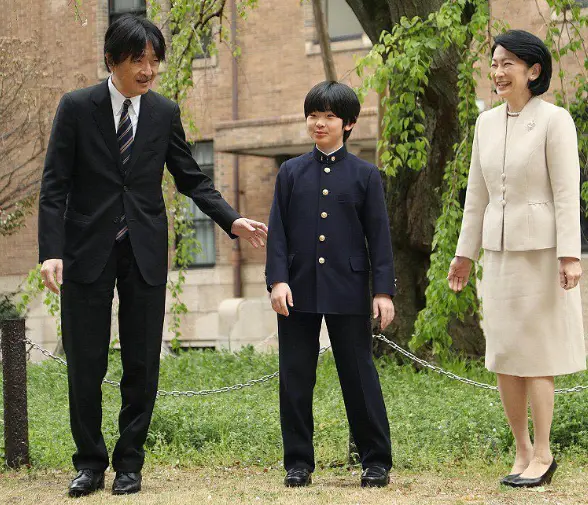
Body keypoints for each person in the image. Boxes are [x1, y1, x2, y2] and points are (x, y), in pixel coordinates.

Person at [38, 14, 267, 497]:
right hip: (85, 252)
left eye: (154, 60)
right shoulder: (77, 107)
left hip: (143, 250)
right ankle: (89, 464)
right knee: (86, 362)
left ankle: (129, 465)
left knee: (142, 363)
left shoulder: (163, 112)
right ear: (112, 60)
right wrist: (50, 253)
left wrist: (231, 219)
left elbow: (191, 177)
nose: (149, 70)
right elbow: (54, 186)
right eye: (138, 59)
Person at [448, 30, 586, 488]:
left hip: (545, 255)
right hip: (500, 255)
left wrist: (570, 256)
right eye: (494, 63)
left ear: (533, 70)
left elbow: (567, 194)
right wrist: (464, 254)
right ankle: (521, 448)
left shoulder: (555, 120)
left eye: (508, 63)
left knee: (538, 354)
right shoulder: (485, 123)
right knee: (505, 354)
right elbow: (476, 197)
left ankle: (544, 452)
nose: (498, 71)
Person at [265, 81, 396, 488]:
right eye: (313, 115)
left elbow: (379, 236)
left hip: (350, 288)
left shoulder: (365, 174)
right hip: (297, 289)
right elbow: (278, 232)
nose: (318, 123)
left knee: (358, 375)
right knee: (295, 376)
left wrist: (383, 291)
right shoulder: (289, 172)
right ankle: (298, 462)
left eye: (329, 116)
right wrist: (277, 281)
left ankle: (375, 460)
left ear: (349, 123)